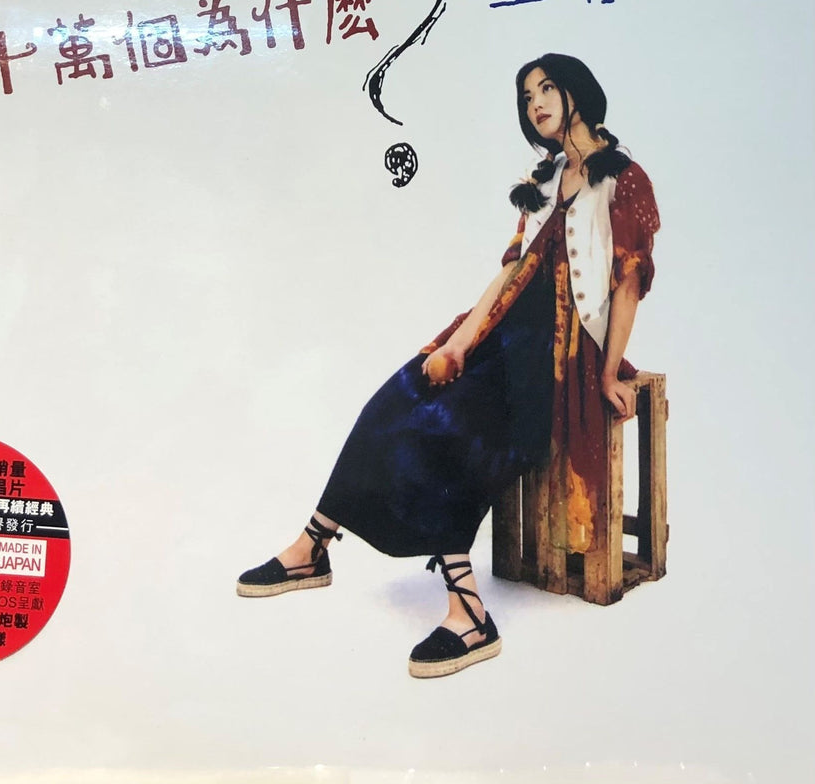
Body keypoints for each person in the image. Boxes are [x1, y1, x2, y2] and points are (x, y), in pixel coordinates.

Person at [237, 53, 660, 679]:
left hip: (560, 355)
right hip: (503, 337)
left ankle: (469, 613)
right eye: (526, 96)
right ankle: (313, 545)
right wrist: (459, 343)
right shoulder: (545, 180)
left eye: (547, 89)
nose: (535, 104)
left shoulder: (623, 178)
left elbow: (628, 282)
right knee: (395, 398)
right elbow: (510, 275)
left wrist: (607, 372)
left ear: (579, 91)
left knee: (456, 428)